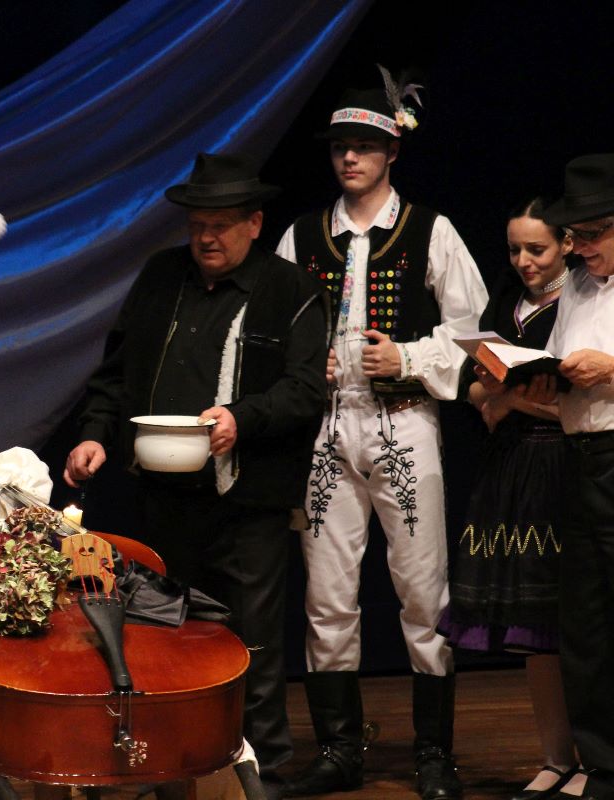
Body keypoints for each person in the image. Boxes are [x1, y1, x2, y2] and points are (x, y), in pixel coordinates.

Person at [65, 153, 329, 800]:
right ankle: (170, 767)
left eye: (221, 225)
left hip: (247, 499)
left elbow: (304, 390)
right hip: (165, 497)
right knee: (167, 635)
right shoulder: (162, 277)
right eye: (197, 226)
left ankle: (260, 770)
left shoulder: (289, 289)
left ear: (255, 224)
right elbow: (115, 373)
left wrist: (242, 418)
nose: (207, 238)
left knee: (252, 641)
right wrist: (95, 434)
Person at [276, 77, 487, 800]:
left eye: (364, 146)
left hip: (405, 423)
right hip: (327, 429)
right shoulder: (303, 236)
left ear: (392, 151)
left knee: (423, 590)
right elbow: (274, 331)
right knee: (327, 594)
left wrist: (407, 357)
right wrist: (309, 363)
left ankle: (434, 753)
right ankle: (339, 750)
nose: (350, 158)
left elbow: (473, 334)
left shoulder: (430, 229)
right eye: (341, 146)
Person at [437, 198, 579, 800]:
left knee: (572, 622)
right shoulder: (508, 299)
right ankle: (555, 757)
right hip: (511, 468)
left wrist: (509, 400)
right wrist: (492, 396)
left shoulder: (584, 301)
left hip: (566, 466)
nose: (523, 261)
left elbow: (577, 404)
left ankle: (592, 759)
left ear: (567, 244)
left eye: (536, 249)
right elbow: (475, 383)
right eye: (515, 249)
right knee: (531, 628)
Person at [531, 153, 614, 800]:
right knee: (585, 621)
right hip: (580, 457)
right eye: (574, 236)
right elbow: (559, 361)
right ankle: (601, 765)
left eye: (591, 234)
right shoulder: (579, 288)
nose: (580, 248)